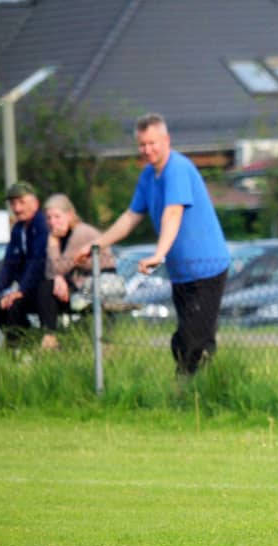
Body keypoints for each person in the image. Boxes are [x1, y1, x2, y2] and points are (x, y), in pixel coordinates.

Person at [89, 113, 231, 375]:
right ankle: (206, 386)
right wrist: (96, 244)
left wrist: (159, 254)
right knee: (197, 340)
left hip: (207, 269)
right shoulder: (147, 176)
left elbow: (173, 212)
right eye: (142, 144)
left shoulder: (177, 168)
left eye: (152, 143)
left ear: (166, 140)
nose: (147, 150)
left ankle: (185, 388)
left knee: (189, 340)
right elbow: (131, 216)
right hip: (181, 273)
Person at [37, 193, 124, 350]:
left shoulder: (80, 233)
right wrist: (58, 278)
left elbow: (59, 267)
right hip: (81, 285)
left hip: (98, 286)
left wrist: (52, 242)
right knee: (45, 287)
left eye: (57, 217)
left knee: (47, 288)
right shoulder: (63, 235)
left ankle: (50, 337)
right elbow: (52, 271)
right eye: (48, 218)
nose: (52, 222)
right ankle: (49, 337)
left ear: (70, 214)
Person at [0, 181, 49, 346]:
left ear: (35, 203)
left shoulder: (42, 226)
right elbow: (9, 265)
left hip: (42, 287)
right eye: (13, 203)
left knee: (15, 304)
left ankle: (21, 344)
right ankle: (23, 340)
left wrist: (21, 291)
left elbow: (38, 263)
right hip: (24, 287)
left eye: (21, 202)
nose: (17, 208)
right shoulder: (18, 229)